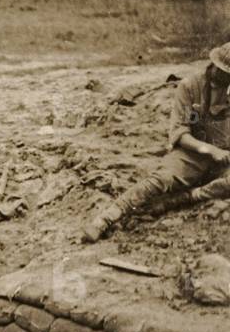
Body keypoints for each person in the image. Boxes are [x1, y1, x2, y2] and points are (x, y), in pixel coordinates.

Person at [83, 42, 230, 242]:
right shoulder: (190, 87)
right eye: (225, 73)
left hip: (223, 159)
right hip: (193, 154)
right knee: (162, 179)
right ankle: (108, 216)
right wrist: (210, 150)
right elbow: (180, 132)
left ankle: (187, 197)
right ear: (215, 66)